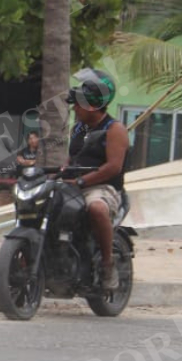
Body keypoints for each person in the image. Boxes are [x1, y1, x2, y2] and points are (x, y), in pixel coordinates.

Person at [66, 68, 129, 292]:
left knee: (96, 209)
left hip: (102, 188)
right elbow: (72, 159)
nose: (74, 107)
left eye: (78, 103)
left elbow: (113, 167)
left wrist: (82, 182)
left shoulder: (115, 130)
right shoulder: (79, 128)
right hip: (74, 185)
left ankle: (107, 263)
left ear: (92, 105)